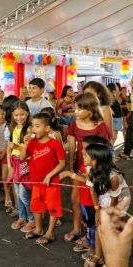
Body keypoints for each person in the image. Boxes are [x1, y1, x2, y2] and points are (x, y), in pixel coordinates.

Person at [61, 143, 130, 266]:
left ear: (94, 160)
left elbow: (114, 200)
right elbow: (92, 189)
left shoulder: (114, 177)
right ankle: (99, 255)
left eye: (85, 155)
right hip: (103, 195)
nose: (82, 156)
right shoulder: (91, 169)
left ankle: (112, 256)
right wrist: (97, 209)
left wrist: (107, 216)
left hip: (119, 199)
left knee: (108, 226)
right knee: (99, 225)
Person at [65, 93, 111, 242]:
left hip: (94, 169)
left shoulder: (100, 126)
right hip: (79, 166)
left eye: (79, 109)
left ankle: (92, 232)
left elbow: (103, 150)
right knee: (75, 198)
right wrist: (70, 165)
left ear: (90, 111)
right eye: (75, 108)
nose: (75, 112)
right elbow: (72, 147)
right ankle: (77, 228)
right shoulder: (73, 124)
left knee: (93, 201)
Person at [21, 113, 66, 244]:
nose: (34, 129)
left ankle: (50, 232)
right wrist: (25, 144)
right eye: (32, 126)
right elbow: (23, 157)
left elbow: (62, 163)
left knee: (52, 206)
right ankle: (39, 229)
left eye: (37, 126)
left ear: (47, 128)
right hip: (36, 182)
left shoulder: (54, 144)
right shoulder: (32, 142)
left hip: (52, 182)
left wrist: (49, 175)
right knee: (36, 206)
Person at [7, 101, 34, 231]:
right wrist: (9, 166)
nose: (19, 117)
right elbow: (9, 148)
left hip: (25, 163)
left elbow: (30, 149)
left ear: (27, 113)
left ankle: (32, 219)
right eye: (16, 115)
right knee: (18, 194)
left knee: (24, 194)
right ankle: (22, 218)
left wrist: (16, 146)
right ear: (12, 115)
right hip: (14, 162)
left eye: (22, 114)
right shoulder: (13, 128)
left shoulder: (30, 129)